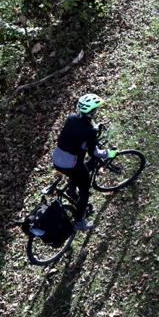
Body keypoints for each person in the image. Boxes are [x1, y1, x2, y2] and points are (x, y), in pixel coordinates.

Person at [51, 93, 114, 231]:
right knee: (85, 190)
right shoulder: (89, 131)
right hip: (70, 164)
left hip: (57, 158)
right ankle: (79, 222)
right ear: (91, 112)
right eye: (95, 110)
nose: (96, 111)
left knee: (77, 173)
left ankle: (72, 190)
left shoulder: (71, 118)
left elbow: (78, 131)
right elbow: (94, 153)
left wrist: (93, 129)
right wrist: (109, 153)